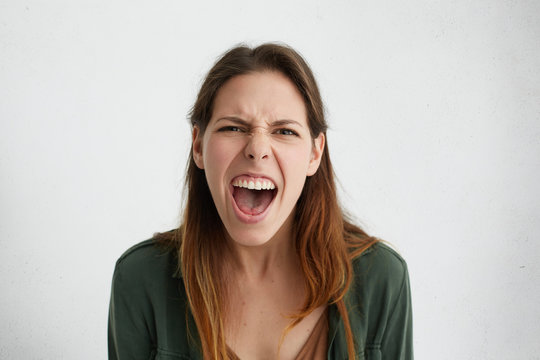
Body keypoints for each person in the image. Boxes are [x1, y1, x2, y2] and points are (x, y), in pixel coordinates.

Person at [108, 43, 413, 360]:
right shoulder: (139, 279)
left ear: (315, 153)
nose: (257, 148)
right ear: (198, 145)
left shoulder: (382, 278)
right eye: (233, 127)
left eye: (284, 131)